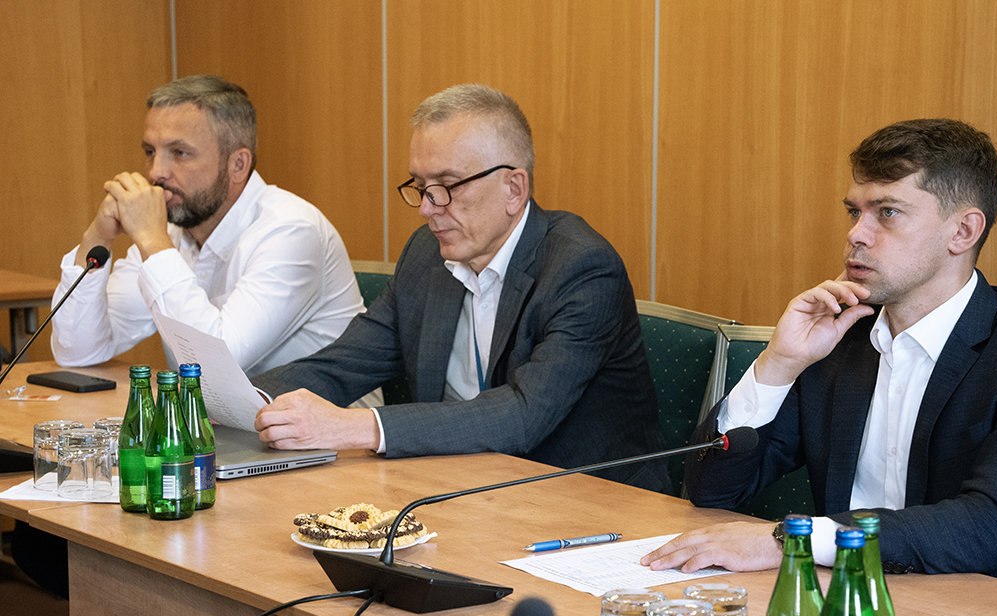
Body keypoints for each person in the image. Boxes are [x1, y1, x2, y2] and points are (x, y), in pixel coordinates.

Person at [642, 118, 997, 596]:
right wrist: (780, 363)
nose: (857, 234)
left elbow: (985, 526)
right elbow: (714, 490)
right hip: (850, 598)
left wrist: (790, 540)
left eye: (888, 213)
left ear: (962, 231)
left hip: (992, 613)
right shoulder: (843, 336)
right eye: (854, 212)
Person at [251, 84, 668, 492]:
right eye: (420, 187)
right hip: (461, 487)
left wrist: (354, 426)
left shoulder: (582, 269)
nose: (427, 208)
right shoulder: (427, 255)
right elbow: (342, 365)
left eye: (447, 186)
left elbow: (522, 415)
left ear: (513, 189)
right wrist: (240, 402)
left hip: (586, 499)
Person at [49, 74, 364, 377]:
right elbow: (76, 352)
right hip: (224, 416)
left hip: (323, 415)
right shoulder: (170, 233)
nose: (156, 172)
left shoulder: (292, 230)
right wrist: (98, 237)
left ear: (237, 165)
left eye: (180, 153)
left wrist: (153, 242)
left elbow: (216, 367)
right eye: (150, 152)